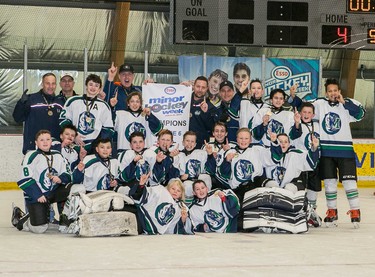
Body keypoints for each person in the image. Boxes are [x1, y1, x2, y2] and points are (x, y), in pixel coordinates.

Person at [312, 78, 365, 228]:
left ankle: (355, 211)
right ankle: (332, 211)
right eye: (330, 91)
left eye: (335, 90)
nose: (333, 93)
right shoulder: (320, 104)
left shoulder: (347, 104)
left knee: (349, 182)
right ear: (326, 92)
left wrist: (345, 103)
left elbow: (360, 114)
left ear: (339, 91)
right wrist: (293, 98)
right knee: (329, 183)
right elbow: (305, 109)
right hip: (327, 151)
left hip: (345, 151)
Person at [11, 130, 72, 233]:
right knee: (39, 229)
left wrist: (61, 178)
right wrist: (37, 194)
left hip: (53, 193)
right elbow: (23, 179)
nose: (45, 142)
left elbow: (68, 174)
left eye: (48, 139)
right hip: (38, 196)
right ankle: (21, 218)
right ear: (36, 142)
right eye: (42, 140)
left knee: (75, 188)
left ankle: (65, 218)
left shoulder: (58, 155)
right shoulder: (31, 156)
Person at [59, 74, 114, 153]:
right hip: (73, 144)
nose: (93, 88)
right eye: (90, 84)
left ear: (99, 89)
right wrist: (74, 135)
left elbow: (108, 129)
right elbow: (63, 120)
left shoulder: (104, 106)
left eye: (96, 85)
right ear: (86, 86)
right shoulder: (73, 101)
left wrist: (96, 144)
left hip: (94, 147)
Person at [13, 73, 64, 154]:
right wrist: (21, 103)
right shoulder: (31, 100)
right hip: (33, 147)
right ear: (42, 84)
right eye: (47, 83)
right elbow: (17, 118)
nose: (51, 86)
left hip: (55, 148)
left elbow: (64, 124)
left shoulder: (60, 102)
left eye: (53, 83)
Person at [289, 102, 322, 227]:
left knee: (313, 188)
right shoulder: (295, 124)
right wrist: (297, 123)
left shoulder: (317, 125)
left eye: (309, 112)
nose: (306, 114)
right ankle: (299, 212)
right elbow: (293, 135)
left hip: (314, 161)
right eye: (304, 112)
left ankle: (310, 212)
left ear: (313, 114)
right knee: (300, 188)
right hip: (300, 163)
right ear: (300, 113)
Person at [129, 175, 194, 235]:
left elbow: (177, 229)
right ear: (168, 188)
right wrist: (141, 185)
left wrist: (183, 220)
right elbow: (143, 196)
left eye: (178, 191)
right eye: (173, 189)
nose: (175, 192)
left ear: (181, 194)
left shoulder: (182, 207)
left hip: (148, 229)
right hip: (140, 217)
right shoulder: (161, 191)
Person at [176, 131, 212, 202]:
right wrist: (180, 177)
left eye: (192, 141)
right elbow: (172, 173)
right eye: (187, 141)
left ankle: (206, 202)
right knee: (187, 185)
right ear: (183, 142)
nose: (189, 143)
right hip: (186, 183)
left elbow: (211, 170)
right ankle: (188, 206)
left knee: (206, 177)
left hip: (200, 182)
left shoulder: (201, 153)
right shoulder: (178, 155)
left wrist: (210, 155)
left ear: (195, 144)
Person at [202, 122, 235, 190]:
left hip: (228, 181)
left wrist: (228, 151)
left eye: (222, 131)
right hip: (212, 180)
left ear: (226, 133)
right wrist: (210, 155)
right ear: (213, 133)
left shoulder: (234, 146)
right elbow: (209, 170)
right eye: (216, 131)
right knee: (204, 177)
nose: (219, 134)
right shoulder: (207, 146)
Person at [188, 76, 218, 148]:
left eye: (203, 87)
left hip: (200, 145)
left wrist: (206, 113)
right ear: (193, 86)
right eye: (198, 86)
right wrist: (180, 87)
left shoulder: (210, 107)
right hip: (183, 143)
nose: (200, 90)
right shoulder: (184, 100)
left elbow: (212, 128)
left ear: (207, 89)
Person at [239, 79, 271, 143]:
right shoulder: (244, 104)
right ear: (249, 91)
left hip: (263, 146)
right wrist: (240, 91)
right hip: (245, 143)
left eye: (259, 88)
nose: (256, 90)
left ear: (262, 91)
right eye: (253, 88)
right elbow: (233, 106)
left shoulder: (268, 107)